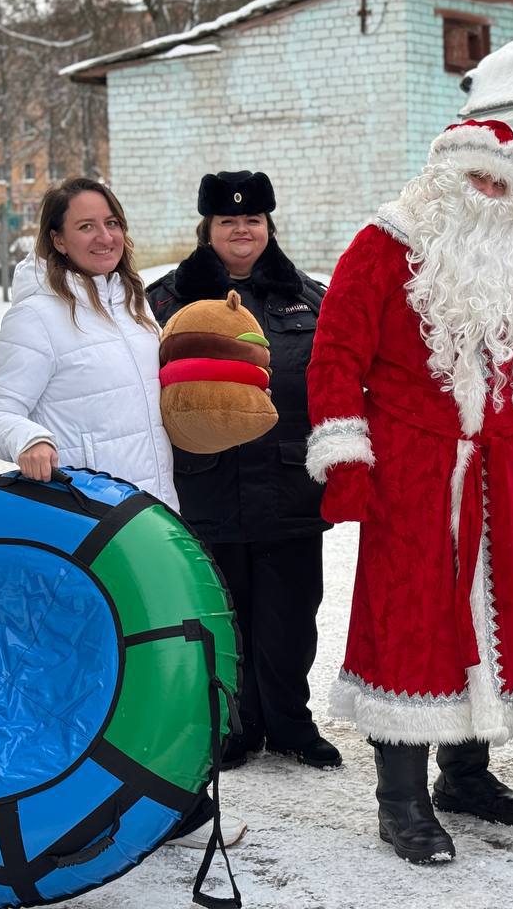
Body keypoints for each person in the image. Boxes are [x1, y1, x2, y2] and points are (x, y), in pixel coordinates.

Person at [304, 120, 513, 864]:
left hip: (499, 470)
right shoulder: (383, 247)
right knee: (409, 618)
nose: (491, 195)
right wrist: (347, 455)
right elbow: (336, 353)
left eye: (503, 182)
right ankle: (399, 800)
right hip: (413, 469)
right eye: (480, 178)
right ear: (443, 179)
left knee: (491, 615)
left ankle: (465, 775)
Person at [0, 177, 246, 852]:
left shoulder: (135, 305)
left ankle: (165, 801)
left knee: (159, 665)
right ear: (57, 239)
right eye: (87, 226)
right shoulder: (37, 317)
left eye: (112, 222)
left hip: (154, 519)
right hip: (90, 527)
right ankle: (81, 816)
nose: (104, 237)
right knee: (93, 670)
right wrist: (28, 440)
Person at [146, 170, 340, 770]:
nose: (241, 229)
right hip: (204, 487)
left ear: (269, 226)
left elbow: (336, 382)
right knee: (217, 612)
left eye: (252, 219)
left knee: (290, 615)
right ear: (206, 228)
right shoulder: (161, 303)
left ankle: (289, 724)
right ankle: (230, 726)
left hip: (288, 488)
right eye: (228, 220)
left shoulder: (310, 298)